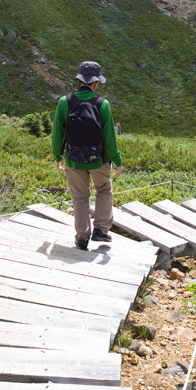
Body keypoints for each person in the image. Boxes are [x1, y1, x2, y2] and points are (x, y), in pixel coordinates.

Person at [52, 61, 124, 251]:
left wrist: (57, 155)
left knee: (80, 197)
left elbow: (58, 133)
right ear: (96, 83)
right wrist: (117, 161)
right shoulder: (103, 104)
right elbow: (109, 137)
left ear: (80, 80)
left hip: (73, 160)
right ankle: (101, 230)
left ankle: (82, 237)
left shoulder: (64, 102)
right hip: (98, 159)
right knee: (103, 190)